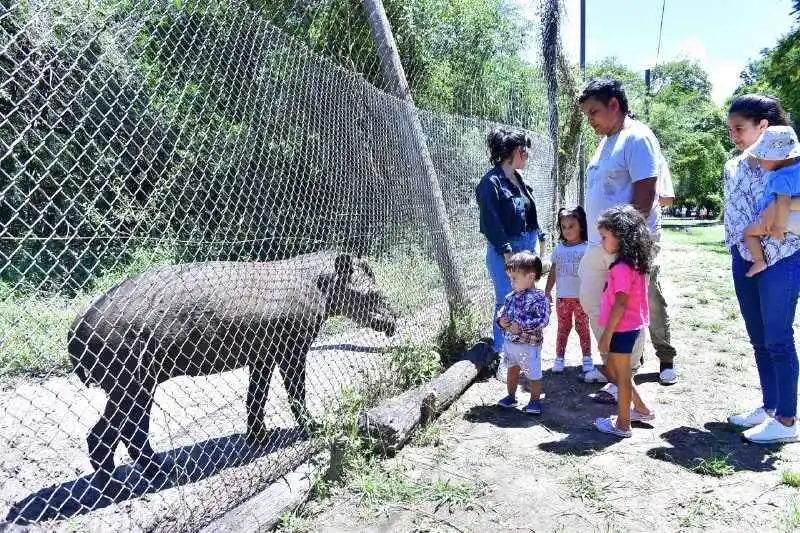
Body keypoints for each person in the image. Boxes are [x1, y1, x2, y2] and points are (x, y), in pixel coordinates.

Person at [576, 78, 678, 398]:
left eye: (594, 112)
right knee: (592, 300)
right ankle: (613, 364)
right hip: (598, 243)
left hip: (626, 244)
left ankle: (627, 374)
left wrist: (621, 244)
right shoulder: (606, 140)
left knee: (631, 307)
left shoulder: (637, 138)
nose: (590, 119)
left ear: (615, 105)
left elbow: (645, 197)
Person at [724, 94, 800, 444]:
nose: (734, 136)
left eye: (740, 128)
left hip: (782, 258)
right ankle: (770, 408)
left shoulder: (791, 165)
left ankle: (787, 420)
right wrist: (740, 249)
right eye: (731, 129)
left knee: (778, 339)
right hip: (745, 258)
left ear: (763, 126)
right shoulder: (734, 166)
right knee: (759, 339)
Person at [476, 127, 545, 360]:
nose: (528, 155)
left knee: (527, 299)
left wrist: (539, 242)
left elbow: (529, 212)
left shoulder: (518, 178)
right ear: (515, 151)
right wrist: (507, 254)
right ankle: (503, 354)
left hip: (527, 247)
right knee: (507, 301)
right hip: (505, 251)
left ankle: (525, 349)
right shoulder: (490, 182)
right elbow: (490, 223)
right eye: (526, 150)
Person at [592, 205, 656, 438]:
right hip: (630, 327)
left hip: (621, 329)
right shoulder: (634, 264)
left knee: (620, 375)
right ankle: (641, 409)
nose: (602, 242)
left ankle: (622, 423)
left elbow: (620, 303)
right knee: (620, 374)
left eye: (604, 237)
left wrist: (607, 336)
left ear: (620, 237)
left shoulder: (621, 268)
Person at [741, 126, 800, 277]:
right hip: (795, 216)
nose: (759, 162)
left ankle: (759, 261)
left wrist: (779, 227)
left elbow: (784, 202)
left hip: (785, 219)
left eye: (762, 157)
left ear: (778, 157)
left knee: (748, 232)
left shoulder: (781, 176)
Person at [495, 252, 550, 414]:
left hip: (529, 345)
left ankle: (534, 401)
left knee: (533, 373)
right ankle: (511, 396)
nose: (511, 282)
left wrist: (522, 327)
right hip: (511, 343)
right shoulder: (511, 297)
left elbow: (543, 320)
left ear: (531, 277)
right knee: (512, 370)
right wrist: (501, 321)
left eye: (514, 278)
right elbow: (502, 312)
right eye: (510, 278)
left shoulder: (539, 298)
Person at [544, 206, 594, 374]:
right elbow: (553, 271)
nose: (567, 230)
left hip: (582, 298)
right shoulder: (559, 249)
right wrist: (547, 291)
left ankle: (587, 358)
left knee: (583, 328)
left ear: (581, 225)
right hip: (562, 298)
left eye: (571, 226)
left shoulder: (587, 248)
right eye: (563, 227)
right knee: (563, 328)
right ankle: (559, 358)